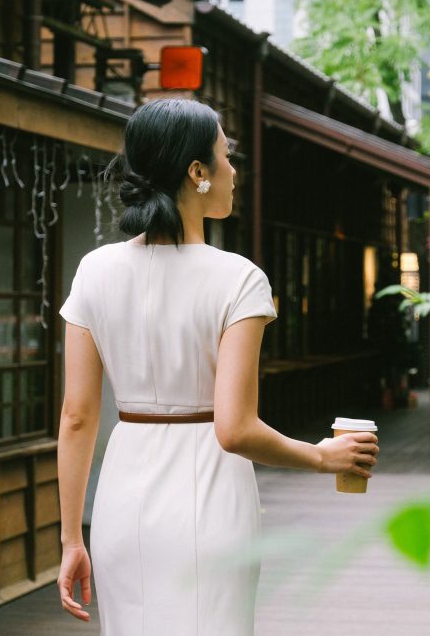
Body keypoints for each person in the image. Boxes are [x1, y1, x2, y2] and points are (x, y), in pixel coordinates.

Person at [55, 99, 380, 634]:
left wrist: (72, 539)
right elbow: (235, 429)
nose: (233, 170)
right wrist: (323, 457)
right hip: (208, 499)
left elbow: (76, 417)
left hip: (120, 504)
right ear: (197, 172)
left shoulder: (95, 270)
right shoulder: (239, 279)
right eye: (226, 156)